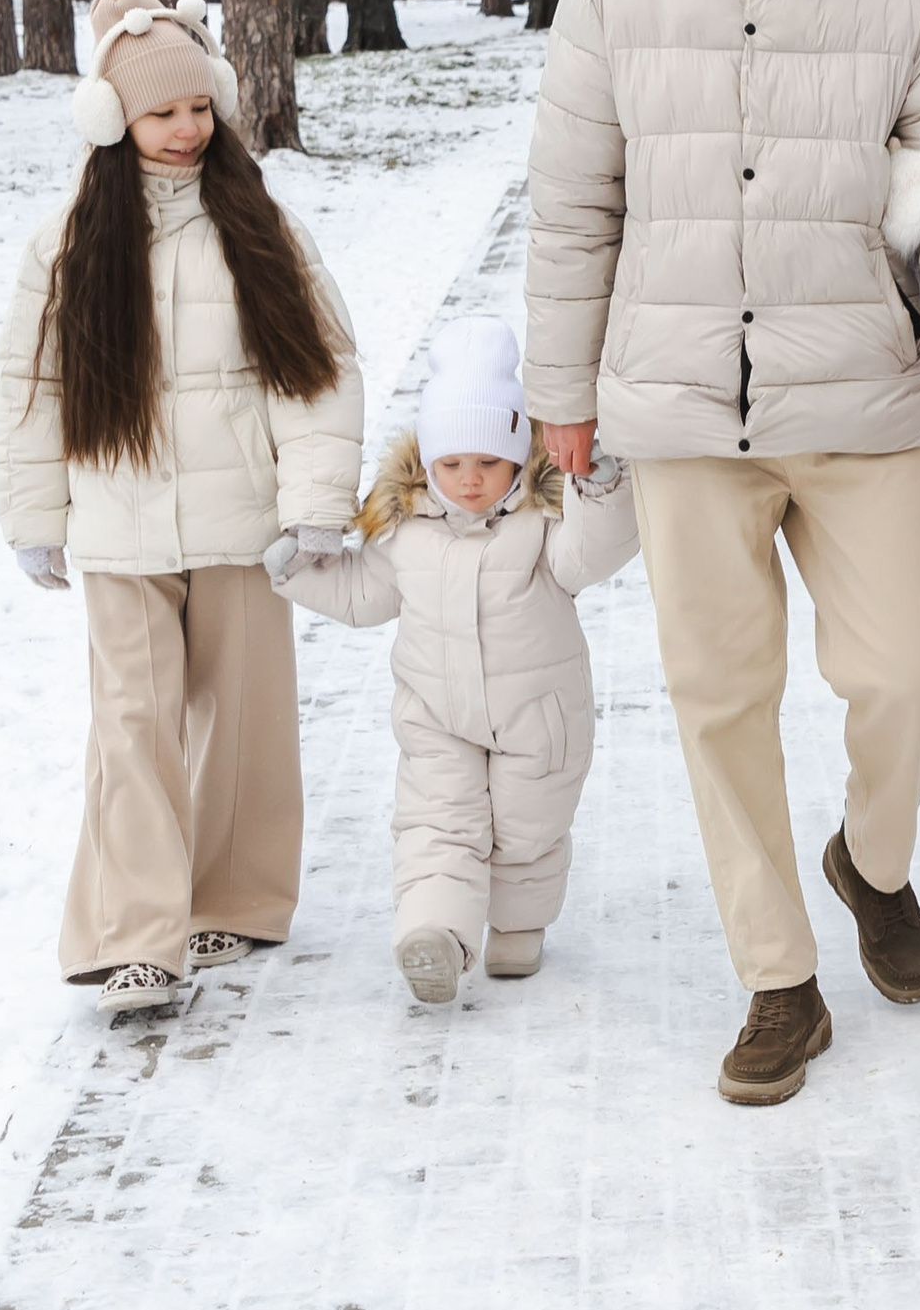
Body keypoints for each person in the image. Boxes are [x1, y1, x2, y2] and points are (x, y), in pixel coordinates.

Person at [524, 0, 920, 1106]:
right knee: (718, 694)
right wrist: (566, 387)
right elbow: (573, 210)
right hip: (680, 411)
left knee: (910, 668)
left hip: (861, 396)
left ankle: (872, 863)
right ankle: (778, 978)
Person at [0, 0, 364, 1021]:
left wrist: (315, 500)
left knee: (243, 720)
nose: (188, 129)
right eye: (163, 113)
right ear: (113, 121)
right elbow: (33, 390)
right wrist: (34, 518)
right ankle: (133, 936)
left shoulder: (257, 224)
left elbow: (319, 369)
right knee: (133, 725)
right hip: (120, 531)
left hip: (243, 520)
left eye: (200, 107)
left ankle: (236, 895)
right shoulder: (66, 242)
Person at [267, 315, 640, 1008]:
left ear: (518, 455)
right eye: (452, 464)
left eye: (488, 463)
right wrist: (300, 574)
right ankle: (435, 933)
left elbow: (594, 555)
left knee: (526, 827)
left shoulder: (545, 525)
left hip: (539, 718)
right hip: (437, 716)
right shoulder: (404, 531)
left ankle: (520, 927)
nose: (470, 481)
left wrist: (605, 494)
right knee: (438, 822)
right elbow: (363, 592)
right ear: (428, 462)